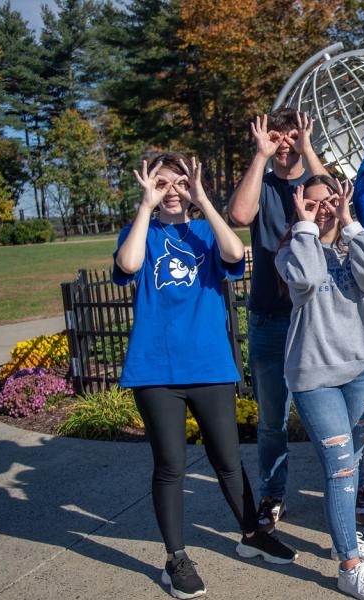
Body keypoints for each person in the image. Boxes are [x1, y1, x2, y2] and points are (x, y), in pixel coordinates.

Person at [114, 153, 297, 599]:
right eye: (162, 182)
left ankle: (251, 534)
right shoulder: (141, 230)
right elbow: (130, 265)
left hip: (210, 366)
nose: (171, 190)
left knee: (228, 460)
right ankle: (175, 558)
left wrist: (203, 201)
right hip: (156, 371)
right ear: (148, 185)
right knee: (171, 465)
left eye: (179, 181)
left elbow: (236, 253)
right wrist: (144, 207)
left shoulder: (203, 231)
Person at [228, 109, 364, 530]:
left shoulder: (312, 184)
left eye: (292, 135)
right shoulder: (263, 184)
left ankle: (356, 483)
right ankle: (273, 494)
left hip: (322, 324)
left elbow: (333, 190)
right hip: (273, 319)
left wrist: (308, 147)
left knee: (346, 423)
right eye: (276, 135)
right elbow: (240, 216)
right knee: (273, 421)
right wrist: (261, 156)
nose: (285, 143)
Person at [275, 175, 364, 600]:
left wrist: (350, 222)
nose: (323, 208)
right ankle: (348, 567)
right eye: (313, 202)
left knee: (354, 460)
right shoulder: (291, 251)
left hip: (359, 369)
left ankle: (346, 535)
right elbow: (305, 281)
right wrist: (305, 226)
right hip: (315, 376)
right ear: (300, 205)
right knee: (340, 466)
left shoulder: (352, 244)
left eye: (330, 200)